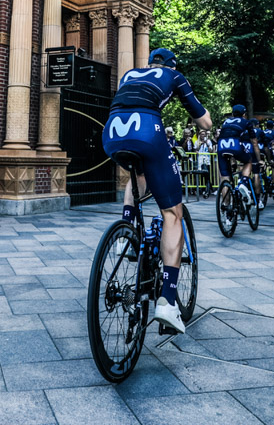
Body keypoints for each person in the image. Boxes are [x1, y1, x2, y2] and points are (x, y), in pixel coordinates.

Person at [103, 47, 212, 333]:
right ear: (172, 65)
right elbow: (204, 120)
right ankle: (167, 301)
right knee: (172, 214)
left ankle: (124, 233)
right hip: (148, 129)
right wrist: (206, 126)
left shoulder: (130, 73)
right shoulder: (174, 76)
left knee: (137, 173)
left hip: (113, 131)